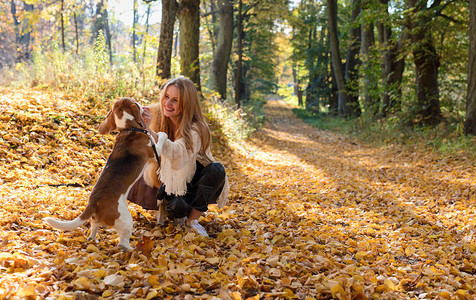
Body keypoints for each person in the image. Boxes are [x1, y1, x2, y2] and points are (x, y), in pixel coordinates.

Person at [128, 76, 229, 237]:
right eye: (166, 97)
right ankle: (169, 205)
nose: (168, 103)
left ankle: (192, 221)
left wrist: (151, 131)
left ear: (186, 104)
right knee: (176, 208)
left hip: (194, 180)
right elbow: (135, 110)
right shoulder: (161, 113)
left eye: (175, 100)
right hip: (169, 179)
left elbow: (177, 154)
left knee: (216, 169)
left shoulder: (197, 128)